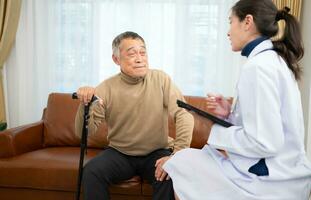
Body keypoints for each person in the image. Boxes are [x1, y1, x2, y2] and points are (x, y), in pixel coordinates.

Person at [163, 0, 311, 199]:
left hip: (272, 180)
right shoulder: (273, 59)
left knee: (180, 162)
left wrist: (211, 131)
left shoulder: (258, 67)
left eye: (230, 21)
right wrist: (230, 114)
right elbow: (267, 124)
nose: (228, 32)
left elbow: (266, 142)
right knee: (185, 160)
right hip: (287, 172)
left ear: (247, 21)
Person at [74, 31, 194, 200]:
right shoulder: (106, 88)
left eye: (143, 52)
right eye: (132, 53)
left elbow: (184, 115)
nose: (140, 58)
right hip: (120, 153)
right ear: (116, 59)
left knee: (169, 175)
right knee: (91, 172)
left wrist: (176, 155)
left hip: (156, 151)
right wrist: (84, 104)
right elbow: (83, 134)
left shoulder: (161, 79)